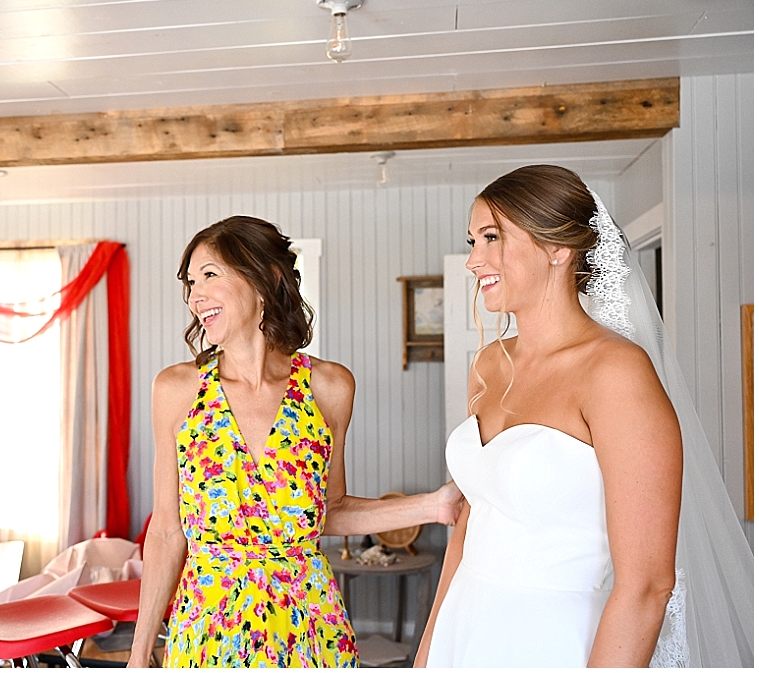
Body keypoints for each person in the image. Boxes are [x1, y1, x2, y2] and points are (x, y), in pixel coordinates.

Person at [416, 165, 753, 667]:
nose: (473, 261)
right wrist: (428, 651)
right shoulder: (489, 365)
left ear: (558, 248)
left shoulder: (615, 372)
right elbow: (470, 522)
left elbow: (648, 585)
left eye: (491, 238)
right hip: (465, 626)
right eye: (472, 241)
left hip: (557, 639)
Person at [128, 216, 464, 668]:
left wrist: (433, 505)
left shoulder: (329, 387)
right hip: (208, 629)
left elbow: (332, 511)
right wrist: (138, 652)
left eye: (210, 275)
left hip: (307, 626)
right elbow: (168, 532)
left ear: (266, 278)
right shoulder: (177, 390)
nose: (195, 296)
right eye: (190, 282)